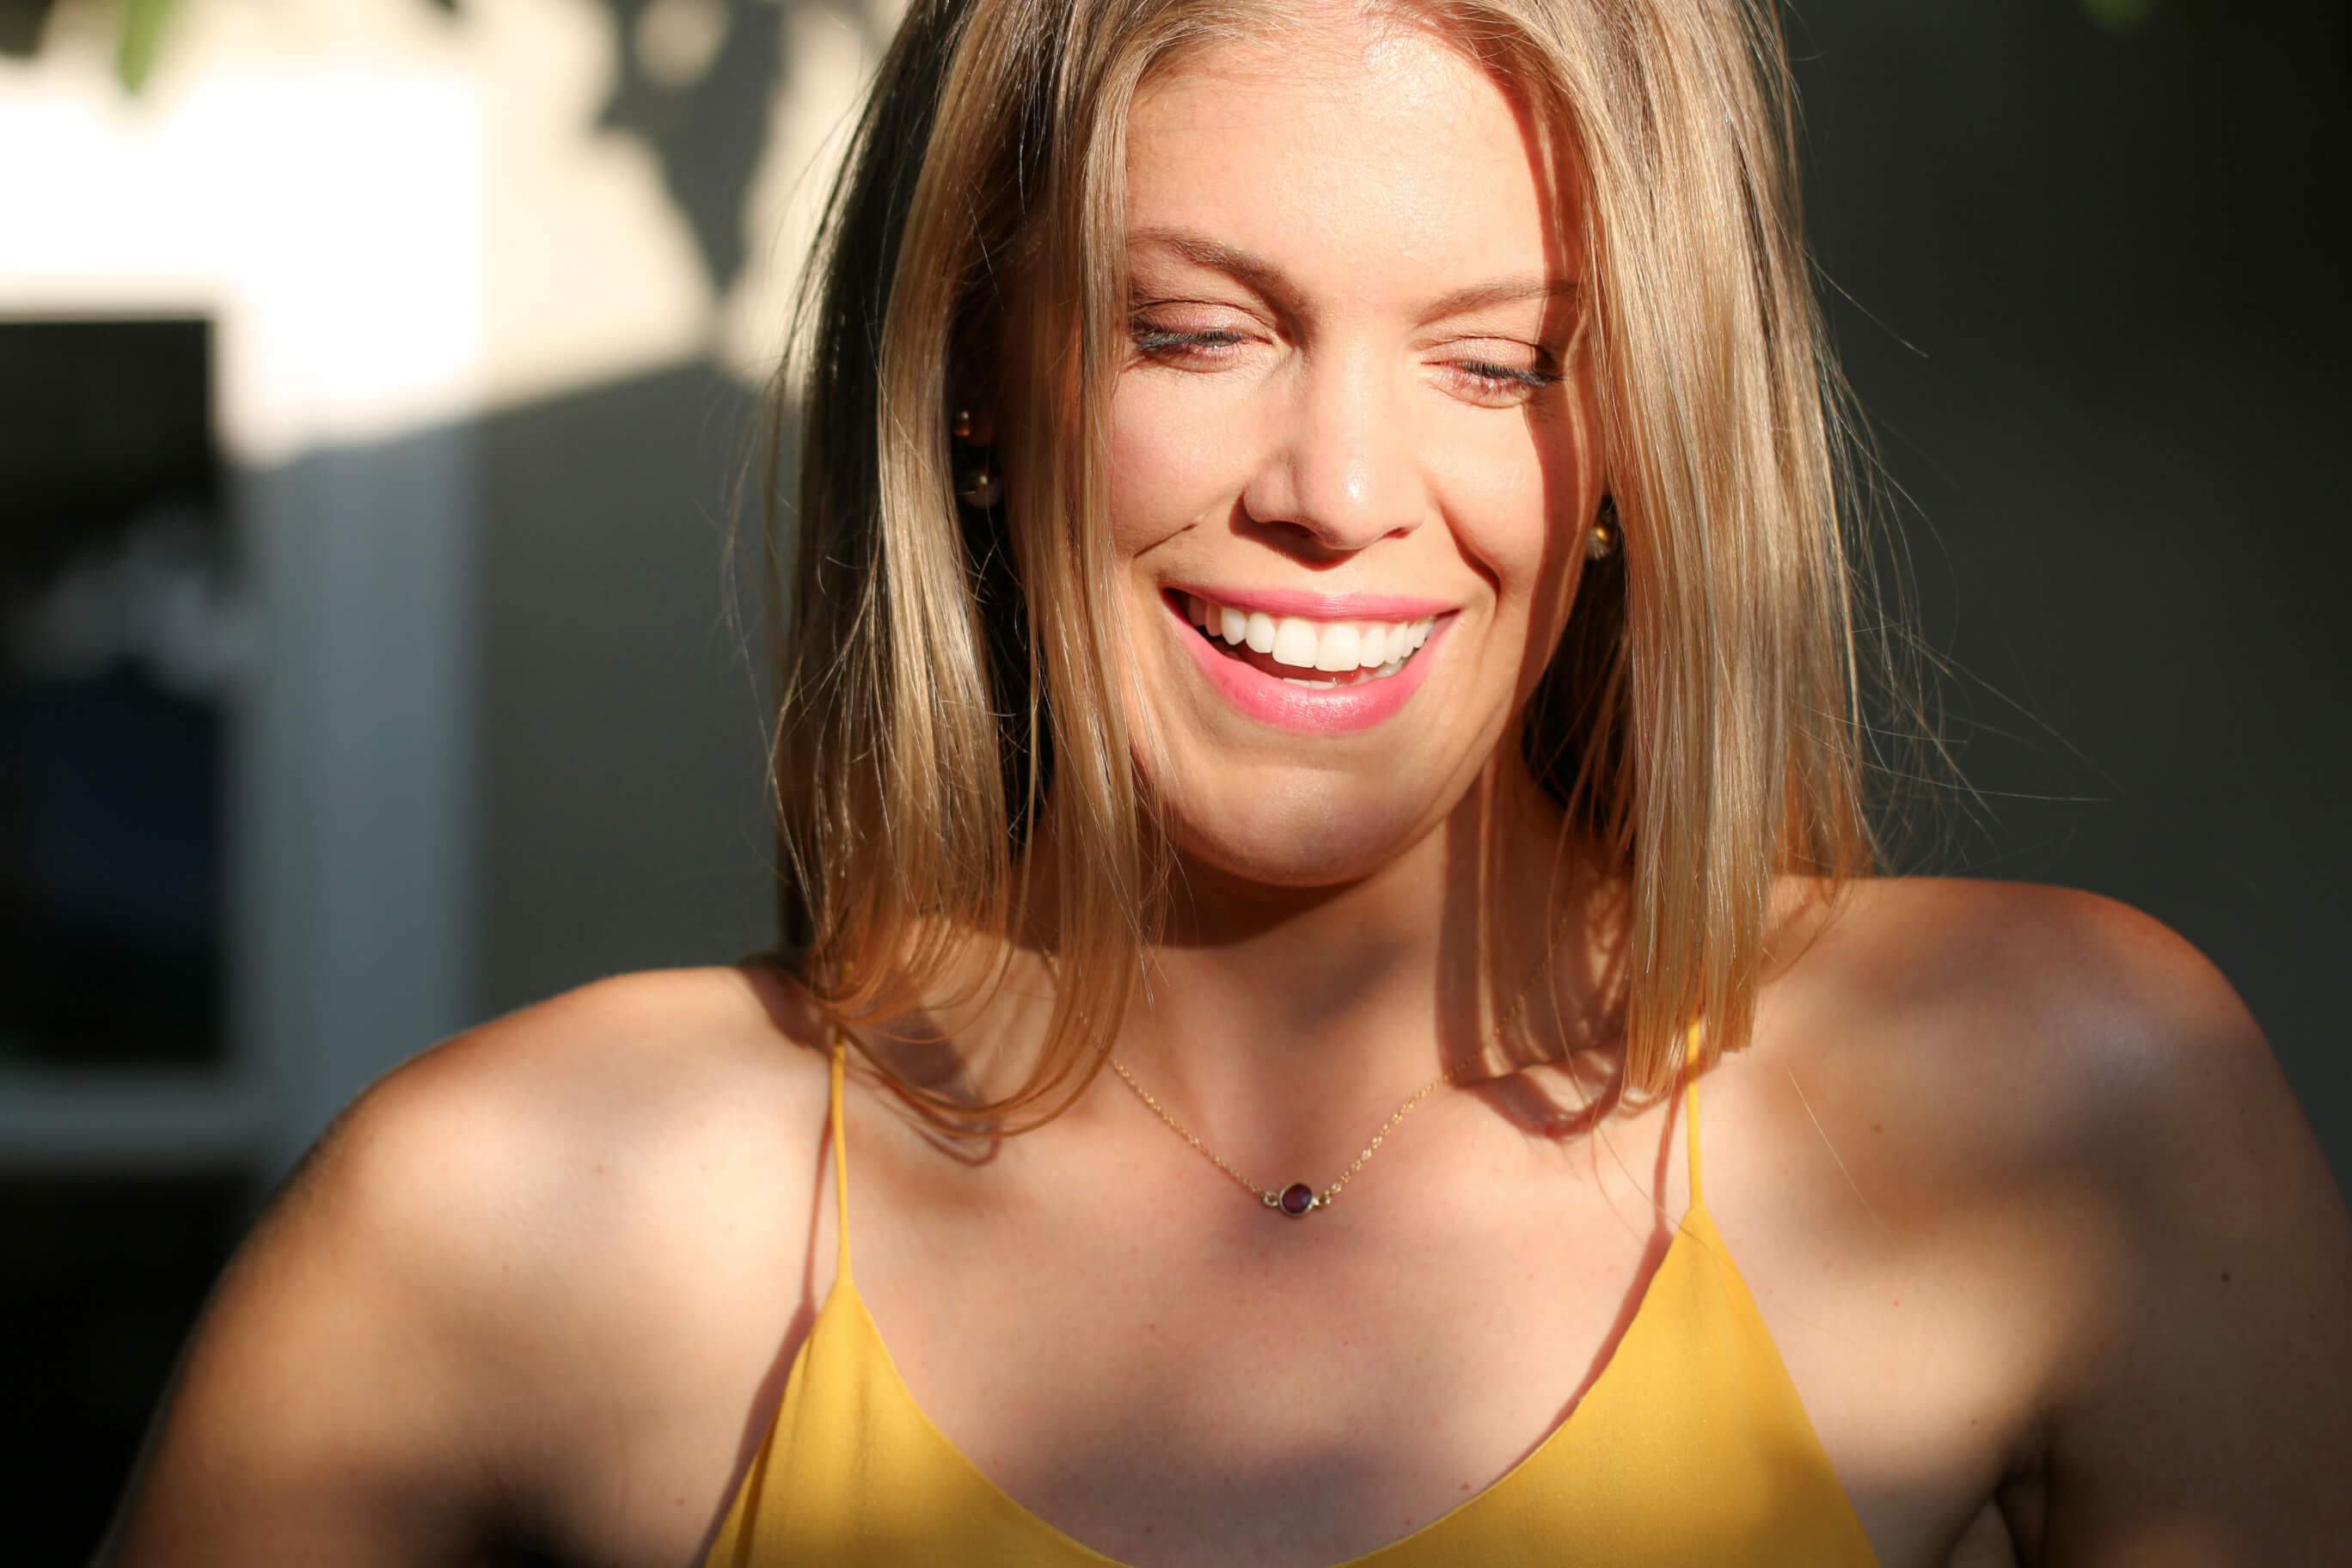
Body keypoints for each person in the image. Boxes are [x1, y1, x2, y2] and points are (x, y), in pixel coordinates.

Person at [99, 1, 2351, 1564]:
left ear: (1641, 446)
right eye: (1202, 329)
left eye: (1503, 360)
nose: (1346, 490)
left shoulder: (2062, 1107)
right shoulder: (523, 1211)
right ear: (986, 363)